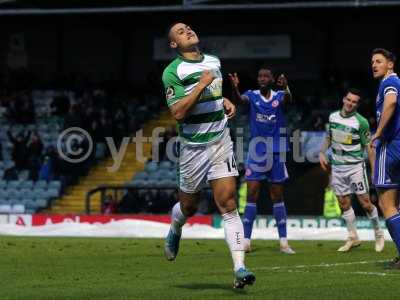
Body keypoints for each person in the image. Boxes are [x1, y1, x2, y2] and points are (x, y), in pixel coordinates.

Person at [161, 22, 255, 288]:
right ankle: (176, 228)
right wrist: (201, 86)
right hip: (193, 147)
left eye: (188, 27)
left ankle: (240, 268)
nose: (188, 31)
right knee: (189, 207)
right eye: (180, 32)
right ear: (174, 45)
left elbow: (214, 94)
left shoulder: (214, 61)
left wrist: (224, 101)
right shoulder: (172, 72)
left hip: (220, 141)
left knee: (228, 205)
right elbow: (178, 113)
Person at [229, 68, 295, 254]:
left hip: (276, 152)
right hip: (257, 152)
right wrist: (234, 88)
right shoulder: (252, 95)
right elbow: (240, 101)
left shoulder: (280, 95)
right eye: (260, 76)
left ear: (272, 79)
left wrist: (287, 86)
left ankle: (283, 242)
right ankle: (246, 241)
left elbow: (288, 100)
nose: (263, 79)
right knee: (252, 194)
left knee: (277, 196)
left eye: (266, 76)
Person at [319, 89, 384, 252]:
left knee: (366, 204)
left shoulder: (361, 122)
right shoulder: (333, 117)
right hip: (337, 167)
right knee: (343, 203)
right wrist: (321, 152)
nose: (350, 103)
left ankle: (378, 233)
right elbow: (329, 136)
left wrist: (374, 169)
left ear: (357, 104)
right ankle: (353, 237)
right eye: (349, 100)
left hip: (355, 167)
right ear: (343, 99)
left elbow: (369, 147)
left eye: (354, 102)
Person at [370, 48, 400, 267]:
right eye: (372, 62)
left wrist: (378, 132)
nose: (374, 65)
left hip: (390, 146)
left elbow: (390, 102)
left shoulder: (389, 82)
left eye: (378, 61)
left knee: (386, 204)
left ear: (390, 64)